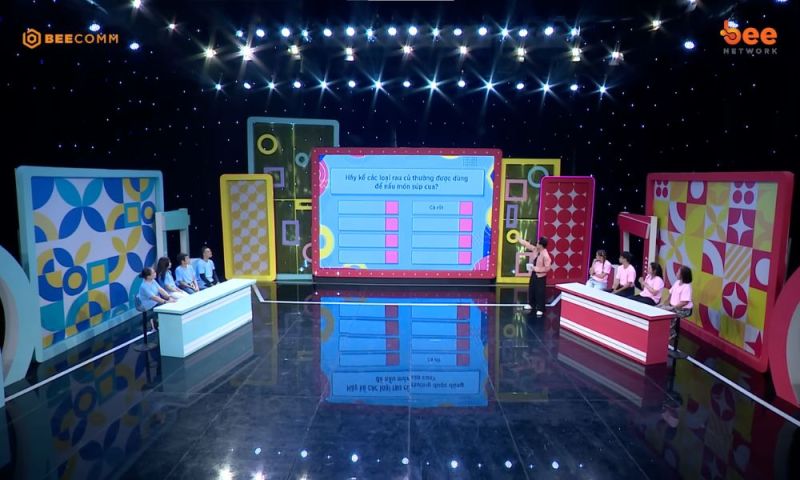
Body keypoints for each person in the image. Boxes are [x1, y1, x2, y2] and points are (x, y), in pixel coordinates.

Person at [518, 236, 552, 316]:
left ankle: (540, 309)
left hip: (540, 276)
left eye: (538, 243)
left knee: (540, 292)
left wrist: (536, 269)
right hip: (534, 274)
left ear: (541, 245)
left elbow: (547, 268)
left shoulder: (545, 255)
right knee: (532, 289)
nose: (536, 244)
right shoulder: (536, 250)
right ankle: (531, 304)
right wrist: (520, 240)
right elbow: (528, 245)